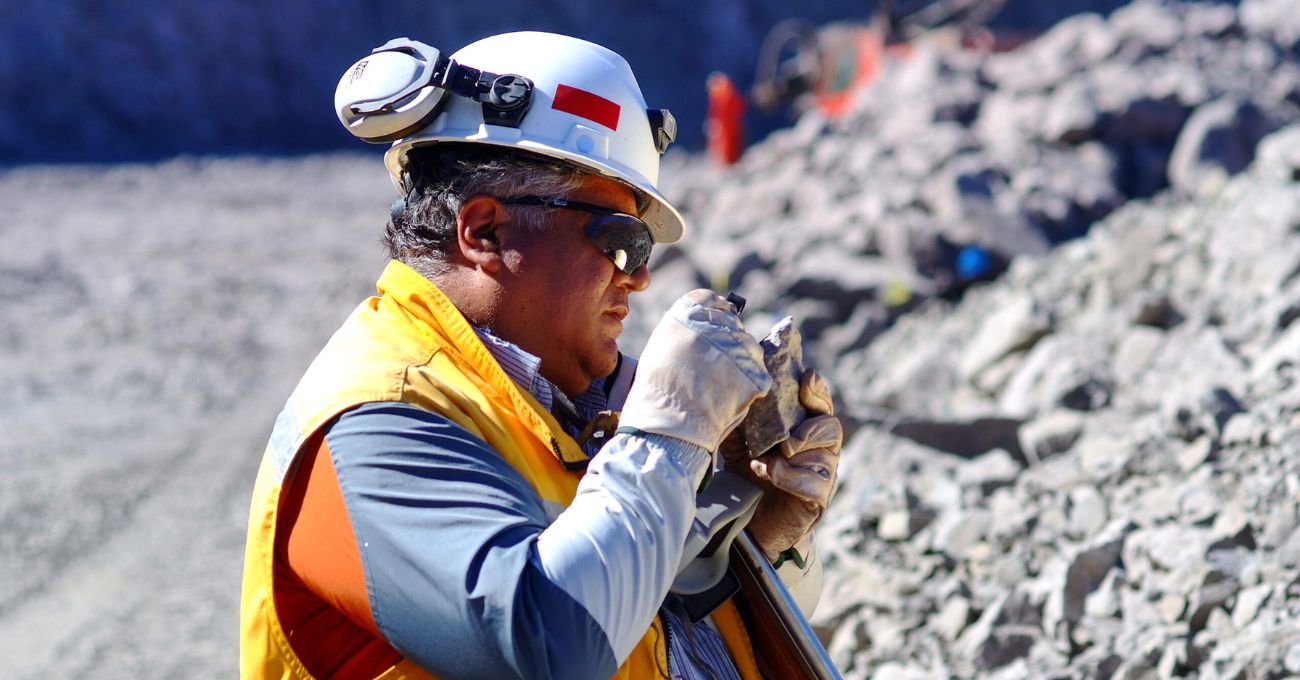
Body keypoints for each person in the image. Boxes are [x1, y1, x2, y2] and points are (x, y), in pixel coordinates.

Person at [240, 31, 843, 680]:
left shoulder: (554, 408)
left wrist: (752, 543)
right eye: (621, 241)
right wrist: (667, 439)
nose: (637, 278)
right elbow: (544, 642)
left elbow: (641, 621)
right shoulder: (378, 421)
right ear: (484, 232)